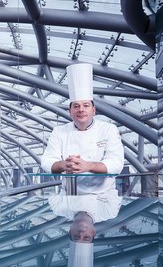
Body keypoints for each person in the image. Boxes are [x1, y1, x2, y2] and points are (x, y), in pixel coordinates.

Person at [41, 62, 124, 193]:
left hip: (103, 197)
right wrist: (65, 164)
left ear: (93, 110)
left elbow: (116, 163)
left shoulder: (108, 129)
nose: (81, 110)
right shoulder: (59, 131)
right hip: (69, 195)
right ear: (70, 111)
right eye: (76, 106)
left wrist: (88, 166)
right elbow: (47, 160)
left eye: (86, 105)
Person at [48, 189, 123, 267]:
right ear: (93, 232)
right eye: (86, 237)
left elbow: (50, 181)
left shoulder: (58, 208)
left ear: (70, 231)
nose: (81, 233)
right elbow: (117, 183)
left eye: (76, 237)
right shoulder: (109, 212)